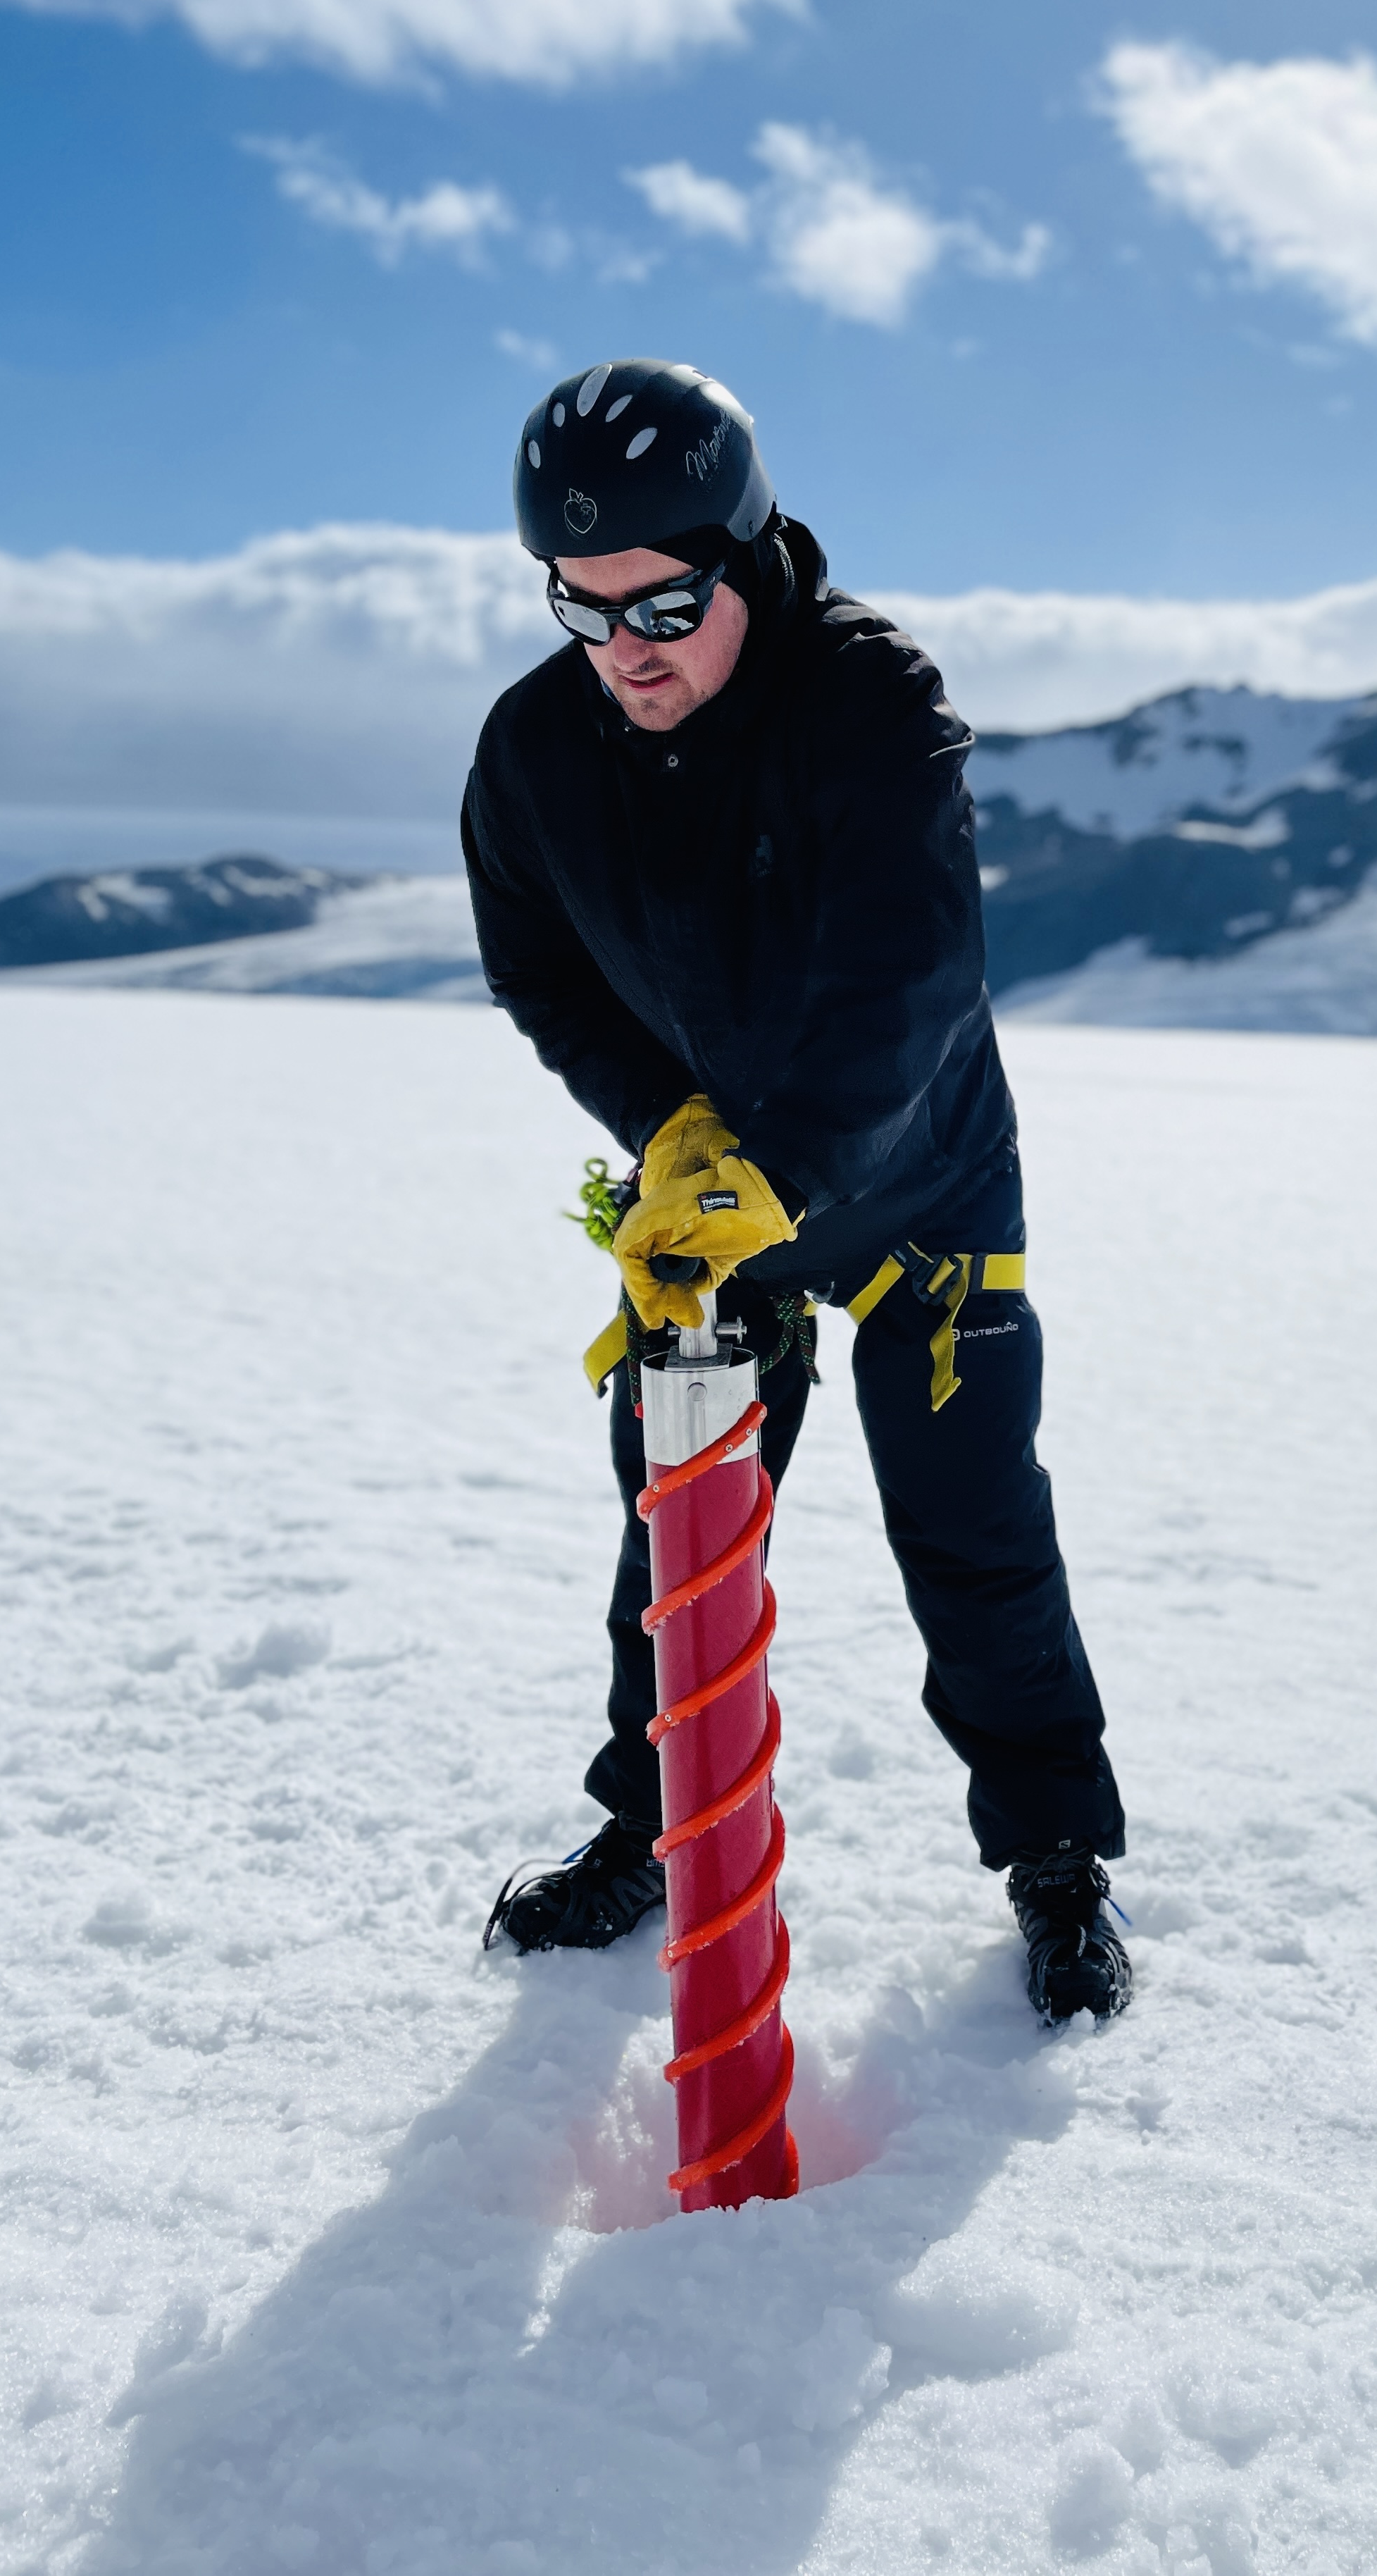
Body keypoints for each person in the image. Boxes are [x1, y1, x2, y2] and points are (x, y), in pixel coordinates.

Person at [463, 358, 1129, 2022]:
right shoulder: (538, 750)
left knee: (973, 1534)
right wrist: (672, 1132)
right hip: (713, 1197)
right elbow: (539, 966)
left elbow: (911, 980)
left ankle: (1057, 1865)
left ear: (748, 557)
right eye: (586, 607)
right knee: (680, 1529)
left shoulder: (870, 705)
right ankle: (655, 1830)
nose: (630, 647)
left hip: (917, 1188)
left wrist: (782, 1165)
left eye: (669, 602)